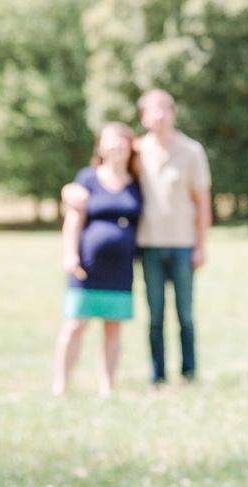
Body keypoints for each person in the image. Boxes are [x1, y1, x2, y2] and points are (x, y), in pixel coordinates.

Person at [52, 122, 143, 396]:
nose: (117, 145)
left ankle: (107, 386)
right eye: (110, 140)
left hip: (121, 269)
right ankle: (61, 384)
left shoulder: (137, 183)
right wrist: (69, 253)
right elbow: (73, 219)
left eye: (122, 140)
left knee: (113, 328)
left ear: (130, 146)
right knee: (75, 325)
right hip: (87, 267)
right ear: (100, 146)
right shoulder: (88, 178)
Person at [136, 89, 212, 386]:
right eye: (152, 110)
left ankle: (188, 373)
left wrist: (201, 245)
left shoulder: (191, 151)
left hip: (183, 245)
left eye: (164, 109)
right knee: (154, 317)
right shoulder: (136, 151)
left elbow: (202, 201)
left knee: (185, 315)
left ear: (173, 113)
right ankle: (157, 375)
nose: (158, 115)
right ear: (143, 117)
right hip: (149, 246)